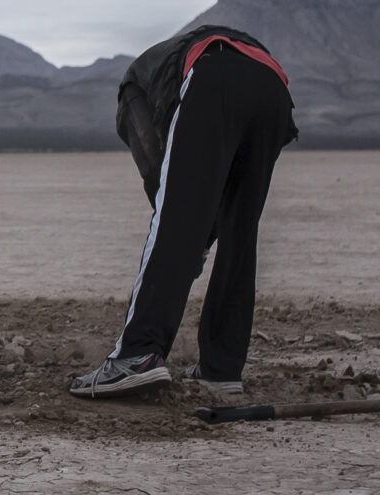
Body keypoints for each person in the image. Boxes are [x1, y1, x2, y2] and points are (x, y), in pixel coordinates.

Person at [70, 25, 297, 403]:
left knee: (172, 223)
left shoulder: (132, 91)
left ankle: (137, 354)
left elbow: (163, 183)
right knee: (241, 232)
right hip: (274, 88)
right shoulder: (169, 65)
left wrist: (191, 240)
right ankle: (221, 369)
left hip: (213, 75)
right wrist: (206, 233)